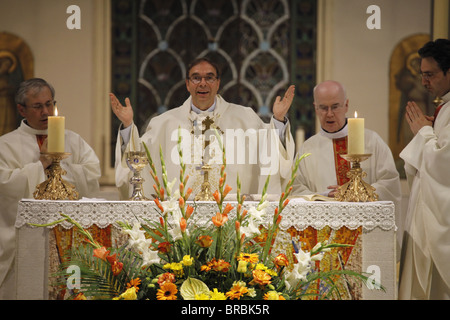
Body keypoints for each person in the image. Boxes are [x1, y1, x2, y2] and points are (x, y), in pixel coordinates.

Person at [110, 57, 296, 200]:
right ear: (187, 84)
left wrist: (278, 120)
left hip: (232, 217)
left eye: (209, 78)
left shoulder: (244, 117)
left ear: (218, 83)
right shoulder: (164, 123)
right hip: (180, 220)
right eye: (196, 78)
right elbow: (139, 159)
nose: (203, 83)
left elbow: (269, 149)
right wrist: (128, 126)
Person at [0, 78, 101, 299]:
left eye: (49, 104)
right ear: (21, 109)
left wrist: (61, 166)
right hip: (25, 245)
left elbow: (92, 175)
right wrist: (41, 165)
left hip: (67, 237)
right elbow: (4, 186)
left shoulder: (73, 140)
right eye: (37, 106)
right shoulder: (6, 145)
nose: (46, 112)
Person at [291, 80, 402, 246]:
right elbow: (296, 190)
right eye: (323, 107)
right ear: (315, 107)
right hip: (324, 237)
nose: (329, 113)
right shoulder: (307, 149)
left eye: (335, 106)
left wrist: (358, 192)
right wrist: (324, 195)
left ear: (346, 105)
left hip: (366, 232)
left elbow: (390, 183)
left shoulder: (372, 141)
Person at [398, 39, 450, 300]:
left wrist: (424, 133)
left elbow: (445, 165)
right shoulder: (444, 108)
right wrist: (428, 131)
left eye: (430, 75)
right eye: (422, 75)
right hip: (424, 214)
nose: (425, 82)